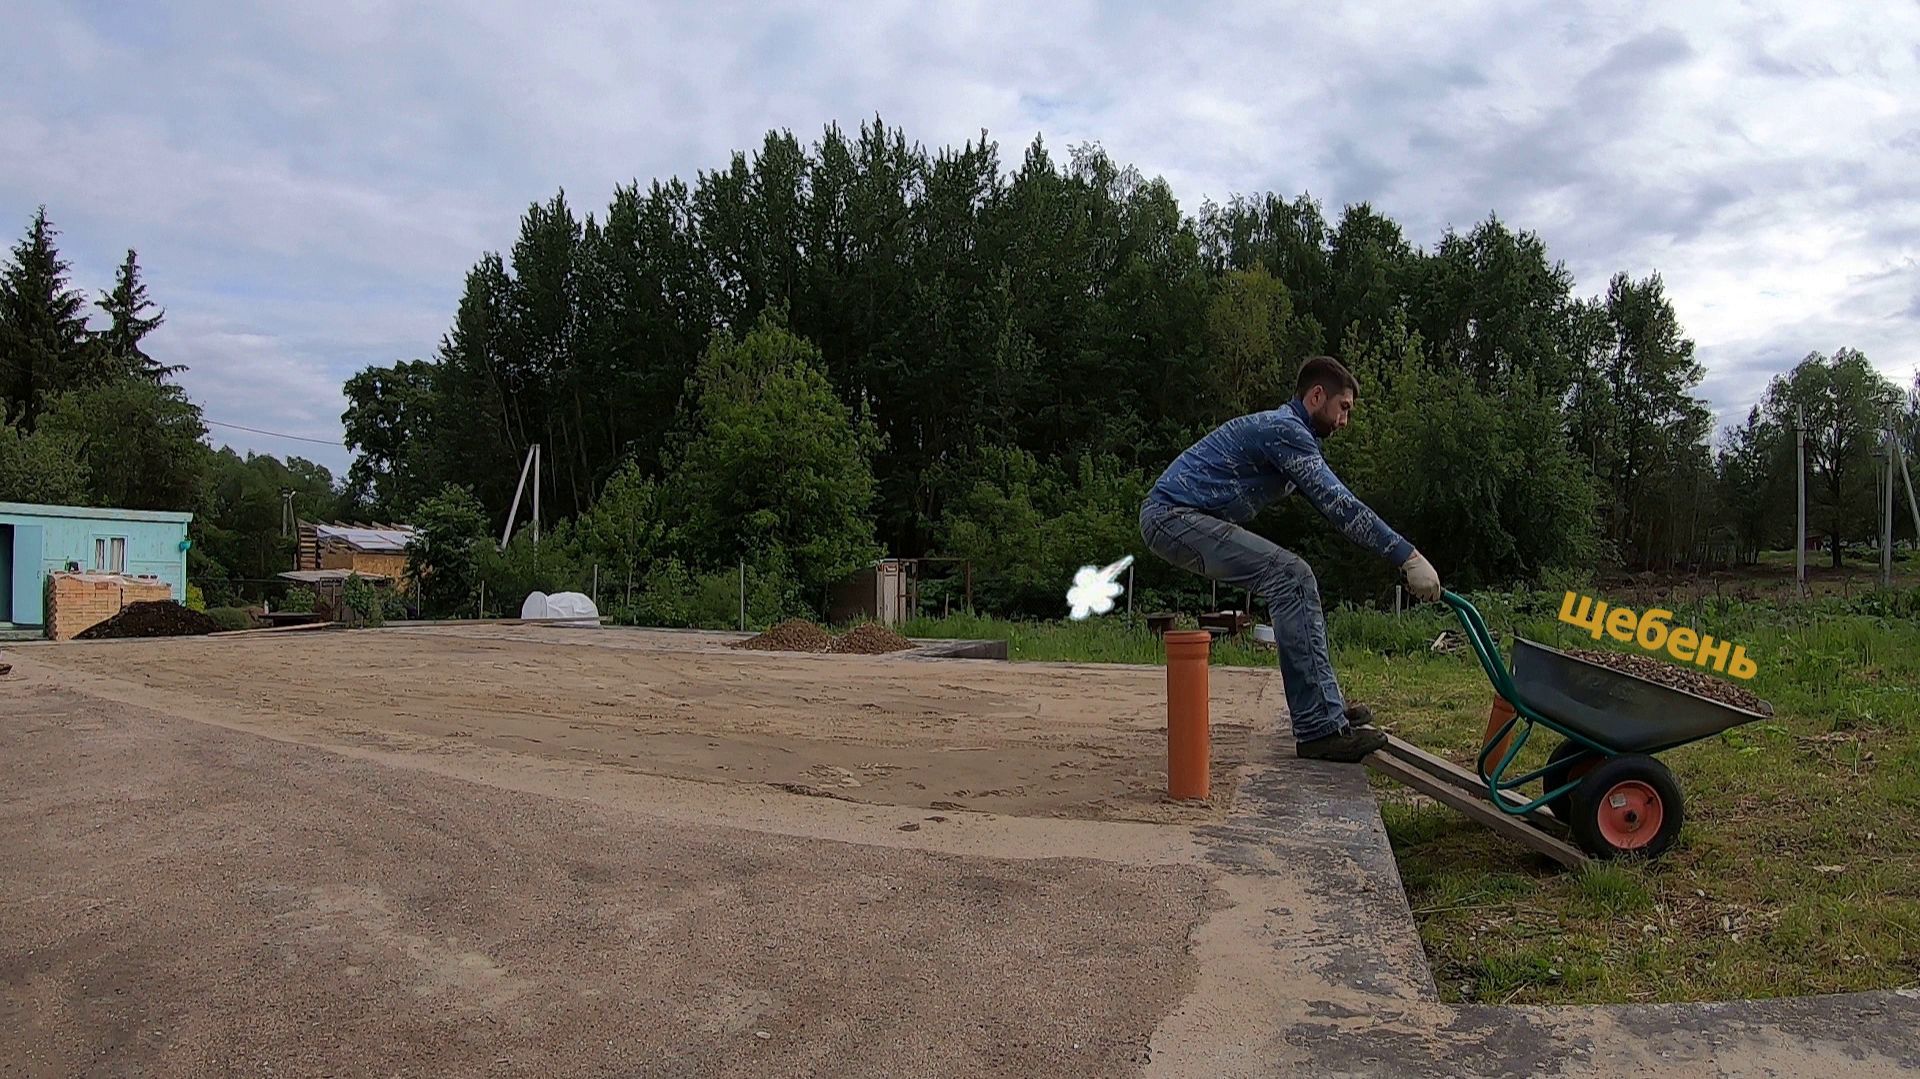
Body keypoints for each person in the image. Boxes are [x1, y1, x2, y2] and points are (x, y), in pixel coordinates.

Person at [1138, 355, 1442, 763]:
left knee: (1294, 577)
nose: (1345, 421)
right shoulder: (1285, 431)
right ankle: (1319, 727)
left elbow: (1334, 506)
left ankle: (1325, 709)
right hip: (1172, 516)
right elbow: (1340, 505)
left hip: (1185, 516)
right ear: (1317, 396)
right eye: (1344, 408)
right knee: (1291, 576)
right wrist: (1407, 556)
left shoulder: (1290, 434)